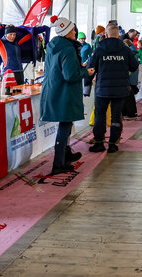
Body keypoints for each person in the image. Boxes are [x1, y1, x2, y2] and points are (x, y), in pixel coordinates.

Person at [41, 16, 85, 174]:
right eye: (72, 30)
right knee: (65, 126)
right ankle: (59, 163)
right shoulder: (68, 49)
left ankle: (66, 154)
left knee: (65, 124)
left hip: (54, 90)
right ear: (66, 32)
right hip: (64, 92)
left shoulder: (53, 45)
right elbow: (70, 75)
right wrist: (86, 71)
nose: (75, 32)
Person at [86, 24, 139, 153]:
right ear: (118, 35)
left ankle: (99, 143)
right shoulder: (125, 49)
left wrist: (86, 85)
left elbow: (91, 68)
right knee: (116, 116)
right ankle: (113, 144)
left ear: (106, 34)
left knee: (100, 116)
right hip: (120, 90)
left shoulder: (99, 49)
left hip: (102, 89)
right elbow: (134, 66)